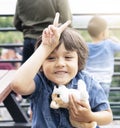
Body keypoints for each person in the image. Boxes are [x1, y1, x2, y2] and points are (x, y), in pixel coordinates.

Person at [10, 13, 113, 128]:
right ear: (41, 63)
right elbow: (17, 85)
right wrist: (46, 47)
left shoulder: (88, 82)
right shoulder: (40, 82)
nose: (60, 64)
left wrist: (89, 116)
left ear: (78, 61)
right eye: (50, 57)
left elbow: (107, 116)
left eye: (68, 57)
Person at [85, 16, 120, 98]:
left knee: (90, 103)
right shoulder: (109, 44)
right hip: (104, 81)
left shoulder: (86, 47)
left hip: (90, 81)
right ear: (103, 33)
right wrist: (116, 40)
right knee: (102, 105)